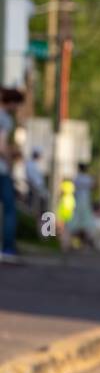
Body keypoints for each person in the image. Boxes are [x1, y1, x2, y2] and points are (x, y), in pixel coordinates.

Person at [61, 163, 98, 252]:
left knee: (73, 224)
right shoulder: (88, 178)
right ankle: (85, 244)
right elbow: (95, 186)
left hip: (77, 203)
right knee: (87, 225)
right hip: (85, 204)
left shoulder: (76, 178)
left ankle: (67, 243)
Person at [0, 89, 18, 262]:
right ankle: (8, 248)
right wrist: (9, 162)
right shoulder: (5, 118)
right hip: (1, 170)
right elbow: (2, 144)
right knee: (10, 209)